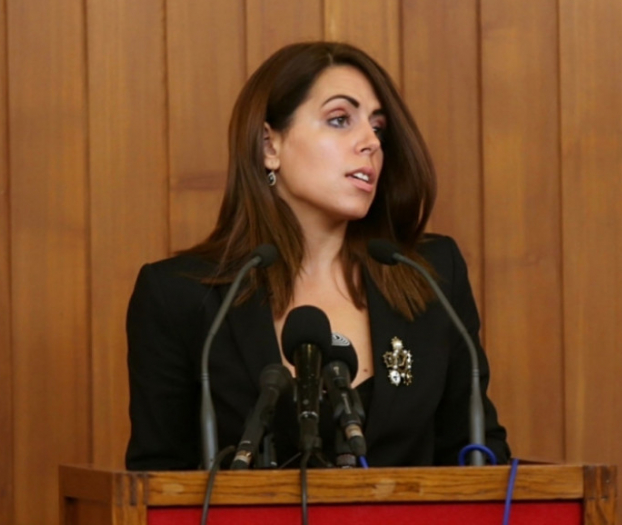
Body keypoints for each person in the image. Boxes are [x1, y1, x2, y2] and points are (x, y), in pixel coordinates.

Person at [125, 41, 509, 471]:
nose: (370, 142)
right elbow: (155, 482)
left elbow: (479, 452)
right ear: (269, 146)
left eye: (378, 128)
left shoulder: (429, 274)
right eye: (340, 120)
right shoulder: (179, 296)